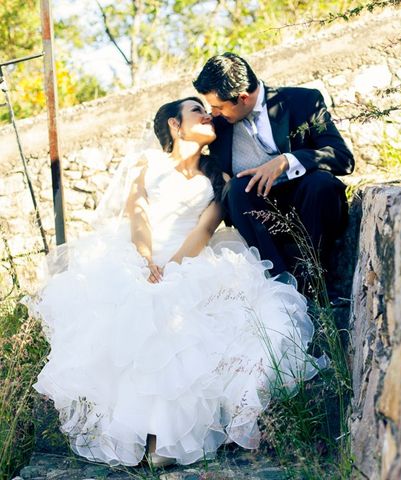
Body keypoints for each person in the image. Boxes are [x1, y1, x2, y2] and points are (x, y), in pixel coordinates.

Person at [26, 97, 319, 468]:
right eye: (196, 110)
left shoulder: (219, 175)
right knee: (137, 303)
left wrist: (175, 266)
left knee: (175, 304)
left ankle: (166, 438)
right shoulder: (147, 164)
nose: (207, 114)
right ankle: (141, 432)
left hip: (193, 254)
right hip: (141, 252)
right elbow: (139, 211)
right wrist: (147, 259)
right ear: (175, 126)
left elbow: (205, 226)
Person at [192, 53, 354, 283]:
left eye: (218, 107)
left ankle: (314, 281)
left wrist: (287, 161)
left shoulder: (303, 101)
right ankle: (280, 284)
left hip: (311, 205)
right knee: (236, 189)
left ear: (243, 98)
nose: (213, 113)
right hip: (257, 218)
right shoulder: (218, 126)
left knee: (321, 183)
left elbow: (343, 158)